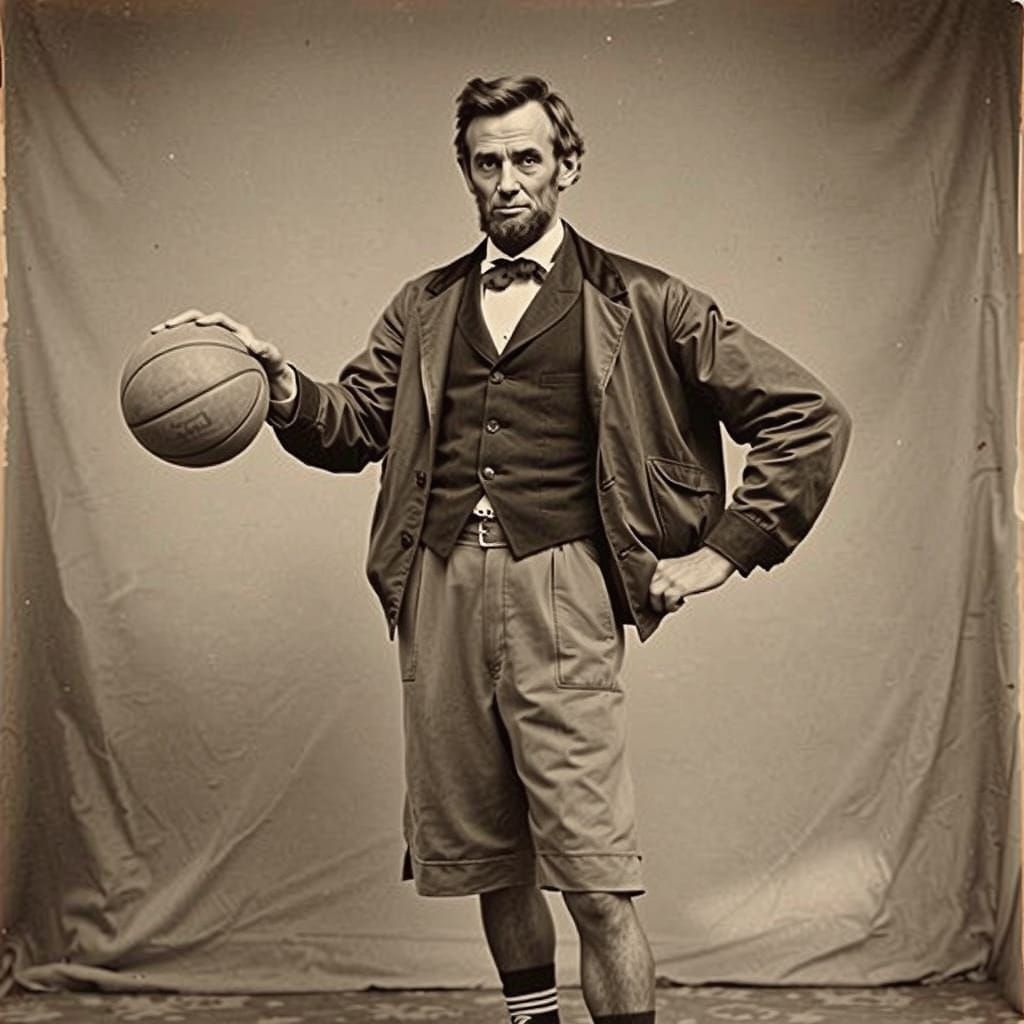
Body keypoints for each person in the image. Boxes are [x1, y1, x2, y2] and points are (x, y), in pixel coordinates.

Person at [153, 75, 851, 1024]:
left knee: (596, 878)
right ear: (467, 176)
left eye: (528, 159)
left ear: (568, 168)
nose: (509, 180)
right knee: (491, 856)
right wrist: (278, 384)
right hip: (435, 589)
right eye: (489, 163)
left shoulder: (643, 299)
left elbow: (807, 416)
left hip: (558, 589)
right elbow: (355, 426)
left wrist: (723, 550)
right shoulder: (425, 303)